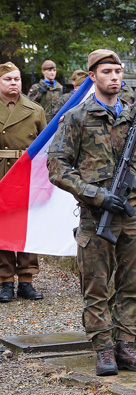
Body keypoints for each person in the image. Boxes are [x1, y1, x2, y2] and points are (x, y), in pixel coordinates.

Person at [47, 49, 136, 376]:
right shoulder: (77, 117)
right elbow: (57, 167)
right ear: (92, 77)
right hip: (96, 215)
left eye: (118, 71)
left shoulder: (133, 117)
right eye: (107, 72)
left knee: (131, 284)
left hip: (135, 213)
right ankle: (103, 349)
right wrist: (96, 195)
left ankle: (126, 345)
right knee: (96, 286)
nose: (115, 77)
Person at [0, 62, 47, 303]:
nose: (14, 83)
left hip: (27, 175)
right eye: (8, 79)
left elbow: (45, 147)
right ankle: (5, 280)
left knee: (28, 228)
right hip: (1, 174)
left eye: (17, 79)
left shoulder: (35, 110)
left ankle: (27, 280)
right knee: (3, 228)